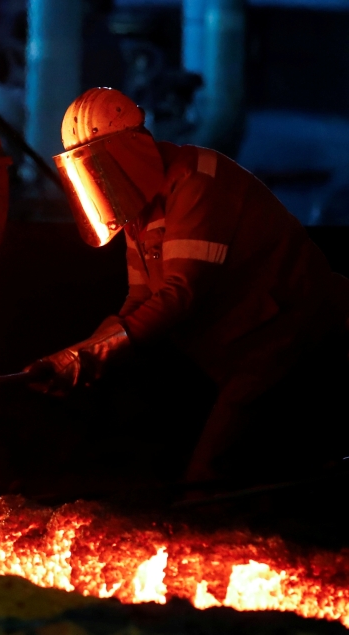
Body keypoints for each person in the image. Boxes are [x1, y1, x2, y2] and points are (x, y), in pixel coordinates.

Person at [26, 87, 349, 483]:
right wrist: (78, 357)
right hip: (247, 346)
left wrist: (87, 358)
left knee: (210, 474)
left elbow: (180, 294)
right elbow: (141, 299)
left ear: (133, 146)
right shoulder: (136, 207)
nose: (102, 182)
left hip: (285, 330)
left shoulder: (197, 181)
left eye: (105, 166)